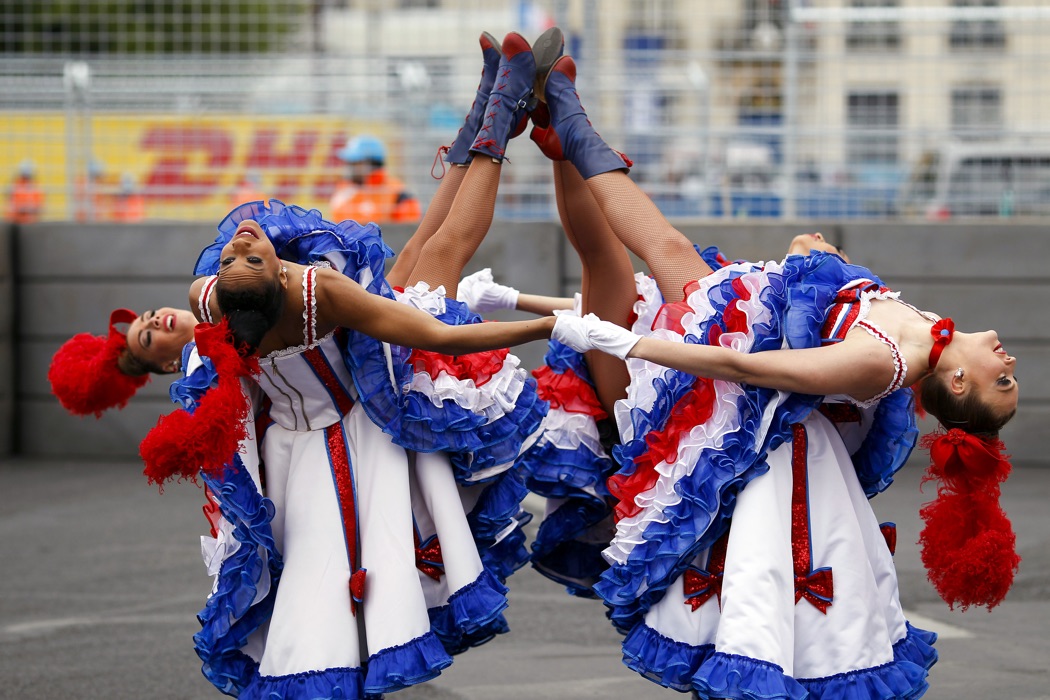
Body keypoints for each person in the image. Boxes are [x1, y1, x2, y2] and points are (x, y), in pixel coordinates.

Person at [535, 42, 1016, 698]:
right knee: (627, 256)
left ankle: (566, 113)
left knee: (644, 253)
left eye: (1003, 379)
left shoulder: (885, 360)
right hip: (743, 344)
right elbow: (813, 305)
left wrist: (634, 346)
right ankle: (561, 124)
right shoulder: (921, 330)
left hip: (735, 394)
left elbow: (754, 365)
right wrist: (810, 256)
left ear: (958, 384)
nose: (1008, 360)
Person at [138, 29, 564, 700]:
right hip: (367, 419)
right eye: (246, 257)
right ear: (281, 276)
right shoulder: (317, 293)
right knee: (440, 247)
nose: (243, 244)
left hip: (309, 440)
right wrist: (544, 325)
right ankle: (502, 103)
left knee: (426, 243)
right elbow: (442, 339)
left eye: (233, 259)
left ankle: (494, 99)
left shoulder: (213, 307)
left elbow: (202, 322)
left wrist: (178, 326)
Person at [48, 306, 198, 417]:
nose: (153, 320)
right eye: (147, 337)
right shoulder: (210, 380)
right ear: (169, 365)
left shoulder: (207, 293)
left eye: (150, 314)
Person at [329, 134, 422, 225]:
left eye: (354, 163)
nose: (349, 168)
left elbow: (408, 232)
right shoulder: (344, 191)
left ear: (369, 164)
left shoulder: (398, 195)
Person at [6, 159, 44, 224]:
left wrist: (28, 209)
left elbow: (39, 207)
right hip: (16, 222)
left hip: (31, 222)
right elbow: (13, 206)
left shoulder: (35, 187)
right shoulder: (15, 186)